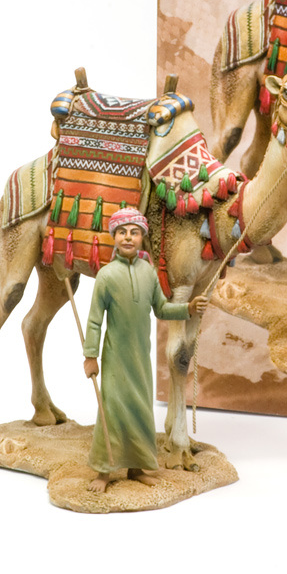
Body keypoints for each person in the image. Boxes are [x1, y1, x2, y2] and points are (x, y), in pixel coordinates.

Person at [82, 208, 205, 490]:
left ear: (142, 237)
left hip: (140, 358)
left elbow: (161, 309)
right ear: (114, 236)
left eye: (134, 232)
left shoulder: (149, 273)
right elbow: (94, 320)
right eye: (122, 232)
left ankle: (136, 468)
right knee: (112, 410)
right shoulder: (106, 276)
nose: (128, 237)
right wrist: (90, 355)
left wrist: (187, 308)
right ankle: (103, 471)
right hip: (115, 357)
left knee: (140, 409)